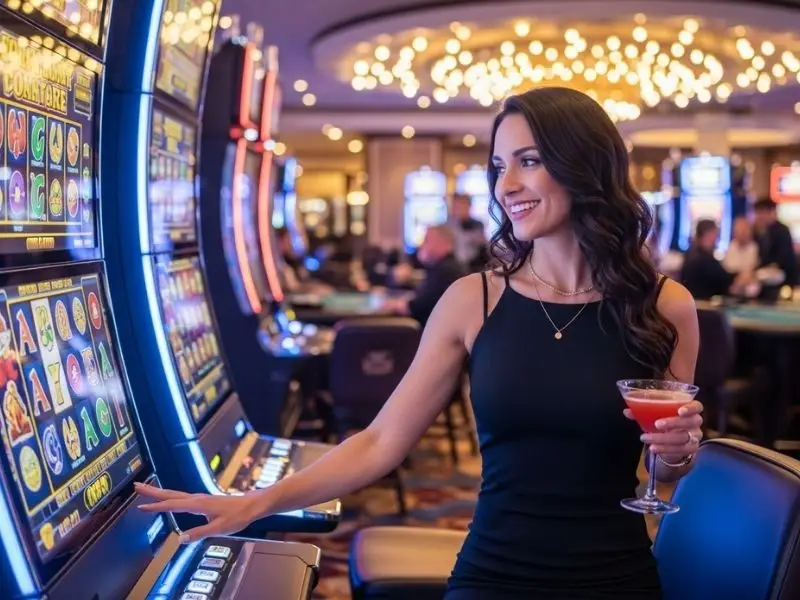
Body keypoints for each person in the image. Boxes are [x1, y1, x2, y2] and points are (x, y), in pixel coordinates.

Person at [136, 88, 704, 600]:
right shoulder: (471, 299)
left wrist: (677, 453)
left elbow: (667, 472)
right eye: (500, 166)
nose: (506, 185)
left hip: (614, 576)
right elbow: (381, 441)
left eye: (529, 161)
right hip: (495, 572)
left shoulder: (663, 305)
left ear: (585, 166)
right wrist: (256, 503)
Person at [380, 224, 465, 326]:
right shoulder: (443, 266)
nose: (421, 245)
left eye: (426, 240)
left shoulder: (446, 270)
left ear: (443, 243)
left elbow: (421, 307)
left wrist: (396, 305)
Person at [680, 219, 750, 299]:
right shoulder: (704, 260)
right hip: (705, 307)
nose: (717, 239)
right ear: (708, 234)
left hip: (693, 305)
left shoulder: (690, 255)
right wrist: (741, 275)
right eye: (716, 234)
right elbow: (724, 280)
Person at [753, 198, 798, 287]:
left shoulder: (782, 231)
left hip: (783, 273)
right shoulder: (758, 232)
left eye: (762, 212)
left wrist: (772, 266)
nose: (759, 216)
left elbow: (785, 256)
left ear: (771, 212)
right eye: (758, 213)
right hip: (764, 270)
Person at [449, 193, 488, 271]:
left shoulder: (477, 225)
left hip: (474, 266)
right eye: (455, 206)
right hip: (453, 267)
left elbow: (483, 246)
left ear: (469, 206)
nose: (457, 209)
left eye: (461, 206)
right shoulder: (447, 226)